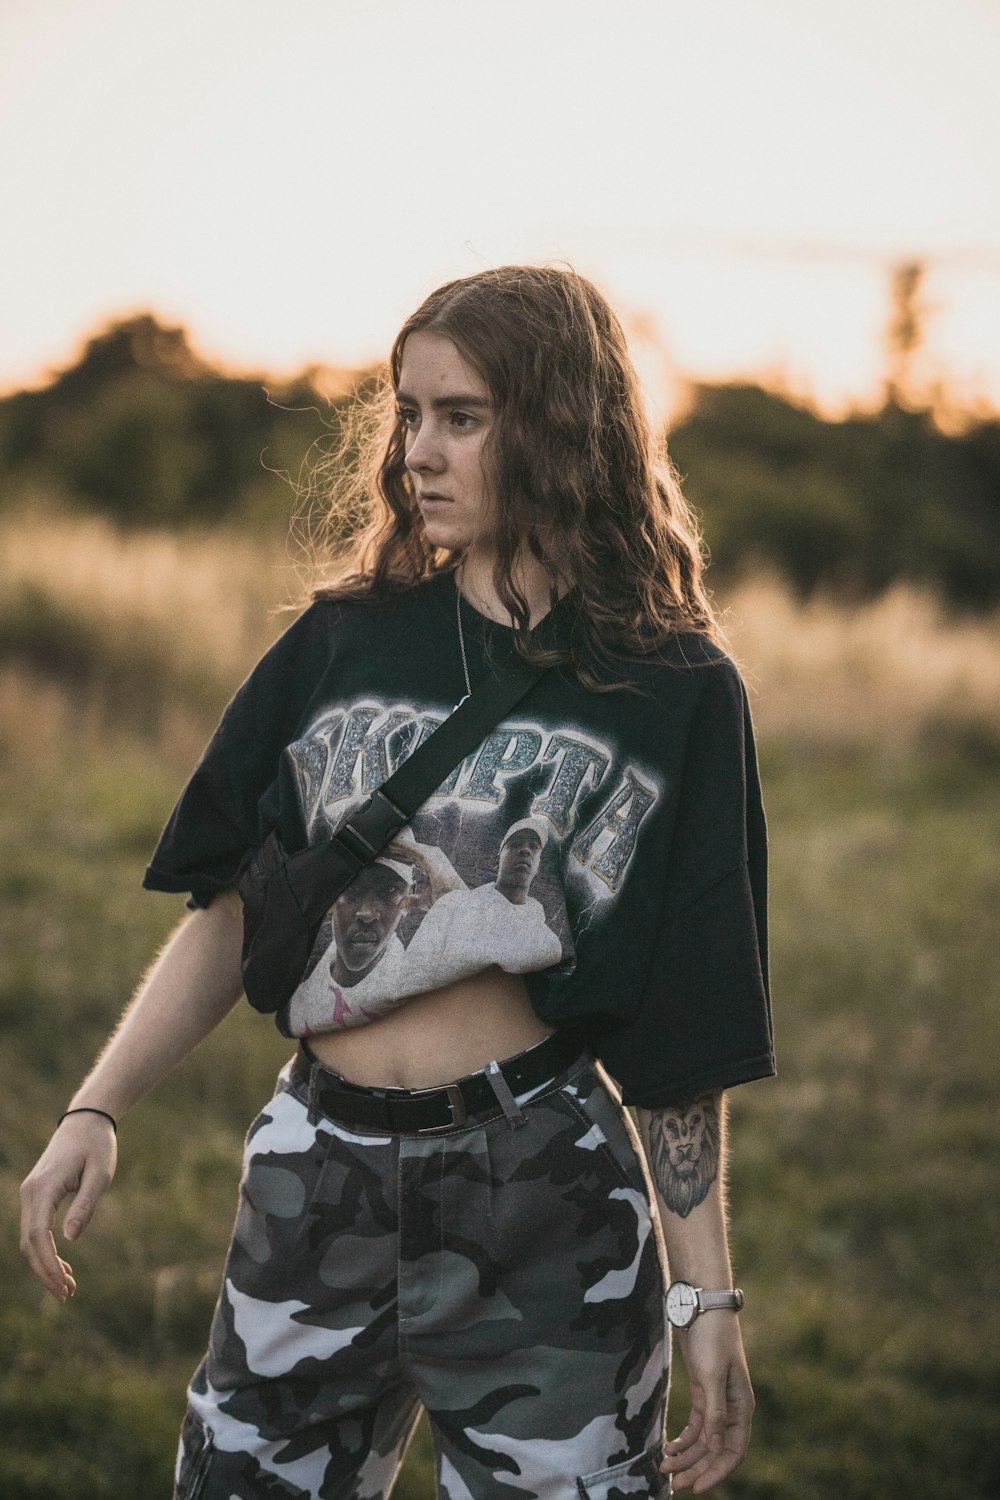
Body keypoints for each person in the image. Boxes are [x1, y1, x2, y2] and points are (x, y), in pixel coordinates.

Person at [20, 264, 774, 1500]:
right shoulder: (339, 640)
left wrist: (704, 1295)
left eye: (461, 416)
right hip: (317, 1170)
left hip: (543, 1190)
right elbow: (236, 909)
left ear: (561, 424)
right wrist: (95, 1108)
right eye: (407, 412)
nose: (418, 450)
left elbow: (685, 1030)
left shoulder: (674, 689)